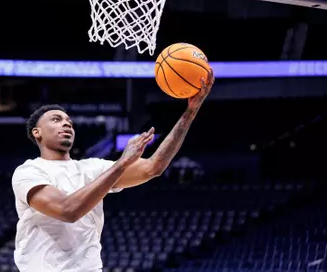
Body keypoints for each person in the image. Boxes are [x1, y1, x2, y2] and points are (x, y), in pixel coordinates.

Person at [12, 69, 214, 272]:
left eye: (69, 122)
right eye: (56, 119)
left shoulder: (92, 167)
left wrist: (190, 112)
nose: (66, 123)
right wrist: (122, 163)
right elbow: (67, 210)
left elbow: (153, 167)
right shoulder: (29, 171)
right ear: (36, 132)